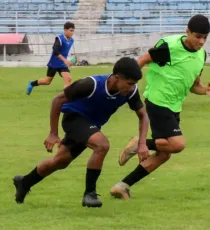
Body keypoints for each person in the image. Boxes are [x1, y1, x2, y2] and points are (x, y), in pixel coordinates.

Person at [14, 57, 149, 207]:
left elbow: (143, 116)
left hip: (91, 126)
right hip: (74, 118)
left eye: (134, 84)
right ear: (117, 78)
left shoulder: (130, 92)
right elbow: (57, 100)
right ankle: (90, 194)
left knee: (60, 161)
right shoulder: (91, 84)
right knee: (102, 145)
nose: (131, 88)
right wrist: (53, 133)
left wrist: (142, 143)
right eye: (129, 84)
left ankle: (24, 182)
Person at [110, 14, 210, 200]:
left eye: (205, 37)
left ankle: (122, 186)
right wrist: (127, 84)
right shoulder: (170, 46)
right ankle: (139, 144)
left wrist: (205, 90)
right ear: (188, 32)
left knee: (164, 154)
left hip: (174, 106)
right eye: (198, 36)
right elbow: (143, 60)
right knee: (177, 144)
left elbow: (194, 85)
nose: (201, 41)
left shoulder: (202, 55)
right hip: (158, 101)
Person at [26, 22, 75, 95]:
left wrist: (70, 60)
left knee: (68, 79)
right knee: (47, 81)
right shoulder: (60, 39)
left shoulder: (71, 40)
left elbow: (65, 51)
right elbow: (55, 51)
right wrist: (65, 60)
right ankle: (32, 83)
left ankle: (66, 97)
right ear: (65, 30)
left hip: (62, 64)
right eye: (71, 30)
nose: (72, 32)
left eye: (73, 30)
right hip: (54, 63)